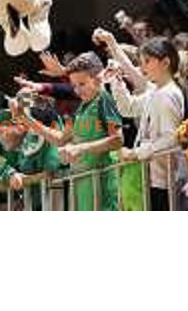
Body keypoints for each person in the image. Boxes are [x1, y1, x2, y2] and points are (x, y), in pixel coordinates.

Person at [15, 52, 123, 211]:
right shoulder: (81, 107)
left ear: (98, 78)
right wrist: (27, 119)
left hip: (102, 183)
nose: (77, 91)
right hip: (82, 184)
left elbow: (118, 140)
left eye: (82, 84)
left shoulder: (104, 99)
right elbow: (61, 139)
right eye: (74, 86)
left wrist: (80, 148)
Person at [106, 36, 185, 211]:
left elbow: (171, 139)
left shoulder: (168, 94)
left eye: (147, 61)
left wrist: (136, 153)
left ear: (165, 62)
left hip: (166, 179)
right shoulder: (155, 91)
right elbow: (128, 108)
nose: (142, 67)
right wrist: (116, 82)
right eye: (141, 62)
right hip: (154, 176)